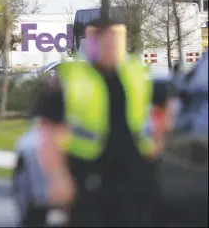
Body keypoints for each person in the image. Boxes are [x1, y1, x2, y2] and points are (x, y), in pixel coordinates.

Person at [30, 19, 174, 227]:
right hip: (89, 175)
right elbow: (49, 130)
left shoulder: (135, 73)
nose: (110, 47)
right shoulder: (72, 77)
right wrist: (58, 177)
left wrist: (158, 140)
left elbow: (165, 102)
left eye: (115, 41)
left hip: (135, 172)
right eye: (103, 42)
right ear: (91, 44)